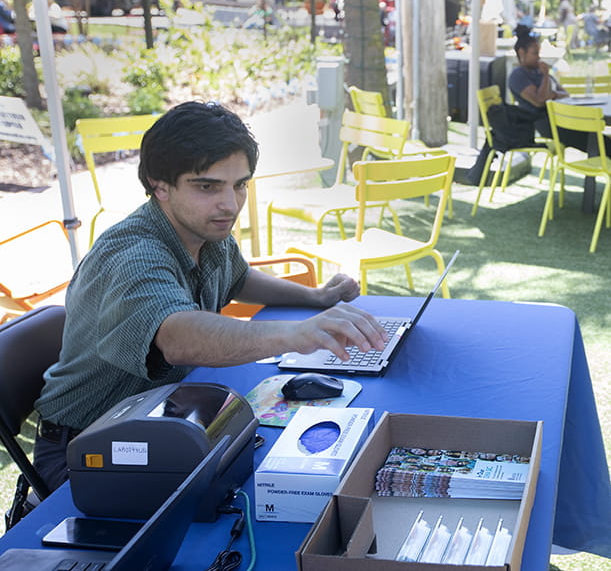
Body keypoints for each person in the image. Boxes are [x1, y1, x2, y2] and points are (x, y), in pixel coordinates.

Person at [32, 102, 388, 492]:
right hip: (88, 446)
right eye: (207, 186)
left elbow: (239, 278)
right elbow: (177, 338)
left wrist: (315, 298)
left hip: (165, 422)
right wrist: (298, 334)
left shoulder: (204, 230)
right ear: (159, 185)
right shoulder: (135, 254)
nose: (230, 204)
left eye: (239, 184)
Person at [506, 25, 611, 206]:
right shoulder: (519, 76)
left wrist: (551, 92)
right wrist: (547, 78)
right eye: (535, 53)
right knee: (602, 146)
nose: (539, 57)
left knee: (604, 144)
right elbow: (539, 101)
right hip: (549, 125)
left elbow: (563, 93)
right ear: (521, 53)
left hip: (563, 119)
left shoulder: (536, 72)